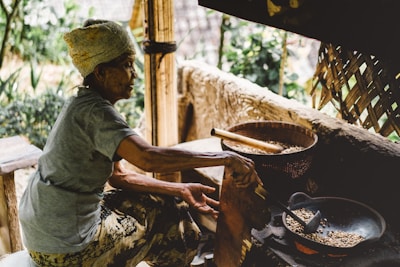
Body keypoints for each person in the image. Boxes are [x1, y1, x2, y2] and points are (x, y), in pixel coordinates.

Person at [18, 19, 263, 267]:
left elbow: (119, 177)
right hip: (67, 249)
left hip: (43, 233)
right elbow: (147, 157)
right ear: (101, 72)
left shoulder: (81, 104)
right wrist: (226, 158)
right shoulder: (97, 113)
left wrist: (181, 189)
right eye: (126, 65)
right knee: (176, 223)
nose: (134, 73)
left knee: (165, 202)